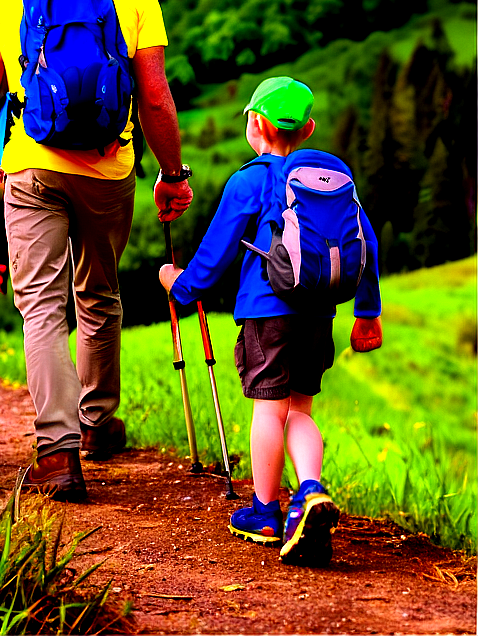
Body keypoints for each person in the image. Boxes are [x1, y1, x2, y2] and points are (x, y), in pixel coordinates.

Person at [0, 0, 193, 502]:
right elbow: (155, 100)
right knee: (99, 293)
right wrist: (172, 174)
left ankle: (58, 452)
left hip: (31, 169)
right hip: (109, 169)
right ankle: (98, 422)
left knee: (41, 306)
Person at [159, 76, 383, 565]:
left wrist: (179, 285)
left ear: (256, 123)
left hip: (267, 313)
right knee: (299, 411)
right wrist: (367, 314)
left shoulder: (250, 180)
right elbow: (366, 244)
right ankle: (309, 490)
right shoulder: (332, 184)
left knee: (269, 409)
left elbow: (215, 253)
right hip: (318, 313)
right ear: (308, 129)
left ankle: (265, 510)